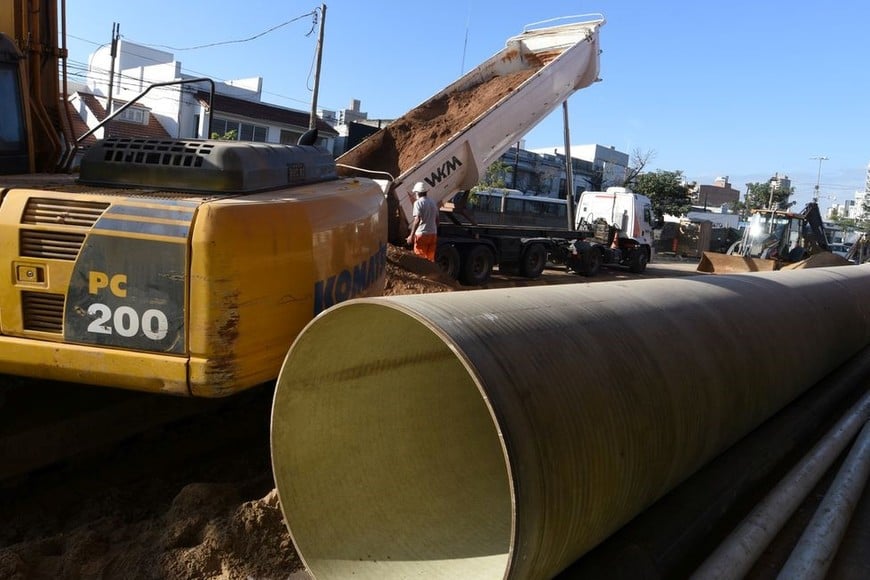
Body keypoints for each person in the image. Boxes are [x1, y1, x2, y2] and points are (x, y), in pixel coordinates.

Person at [405, 181, 438, 261]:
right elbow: (437, 220)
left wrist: (411, 236)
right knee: (430, 259)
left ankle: (423, 274)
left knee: (420, 260)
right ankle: (431, 273)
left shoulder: (418, 203)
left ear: (417, 193)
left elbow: (417, 219)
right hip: (433, 234)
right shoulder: (433, 202)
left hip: (422, 234)